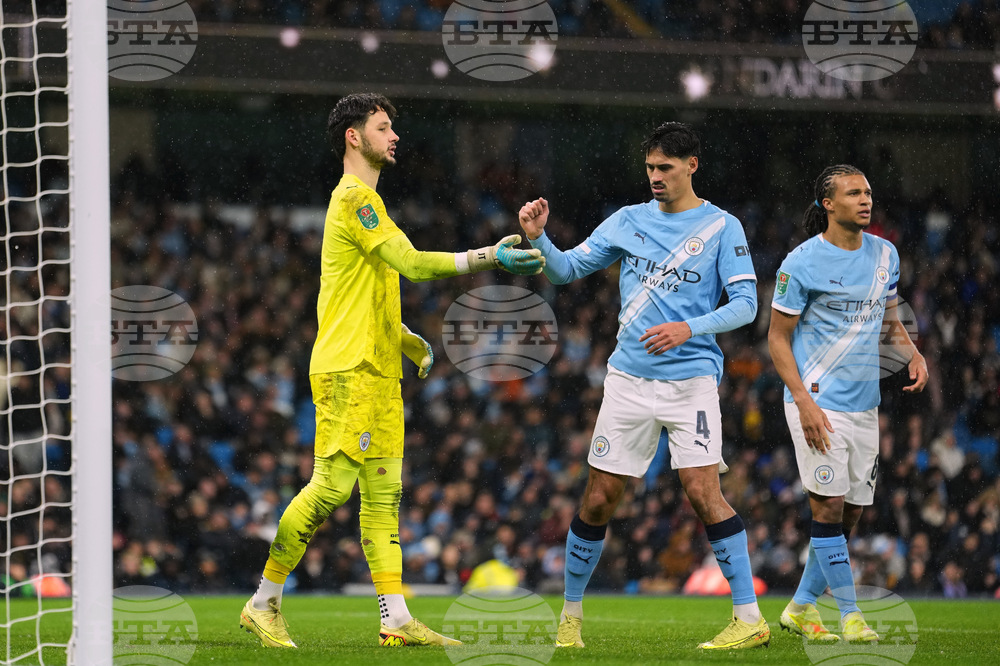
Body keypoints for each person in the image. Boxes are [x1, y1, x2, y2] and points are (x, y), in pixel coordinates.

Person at [239, 93, 545, 649]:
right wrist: (489, 257)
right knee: (330, 488)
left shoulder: (369, 206)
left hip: (379, 371)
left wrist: (404, 340)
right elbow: (411, 263)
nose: (394, 135)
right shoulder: (356, 201)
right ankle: (264, 602)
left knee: (384, 497)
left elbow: (364, 291)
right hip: (347, 369)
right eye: (383, 127)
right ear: (354, 137)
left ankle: (396, 617)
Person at [518, 122, 768, 650]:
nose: (655, 177)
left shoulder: (723, 228)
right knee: (600, 498)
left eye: (666, 168)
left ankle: (749, 618)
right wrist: (539, 236)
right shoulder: (628, 221)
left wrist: (689, 328)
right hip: (628, 381)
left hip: (692, 381)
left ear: (691, 165)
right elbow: (565, 272)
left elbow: (746, 306)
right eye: (650, 167)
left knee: (704, 493)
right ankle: (570, 618)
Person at [768, 164, 927, 643]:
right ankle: (851, 615)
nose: (865, 200)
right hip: (818, 402)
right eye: (854, 193)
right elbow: (777, 339)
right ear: (828, 204)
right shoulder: (801, 262)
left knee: (852, 512)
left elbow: (889, 318)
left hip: (865, 404)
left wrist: (913, 352)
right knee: (829, 506)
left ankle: (798, 608)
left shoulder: (886, 254)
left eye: (868, 192)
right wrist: (802, 402)